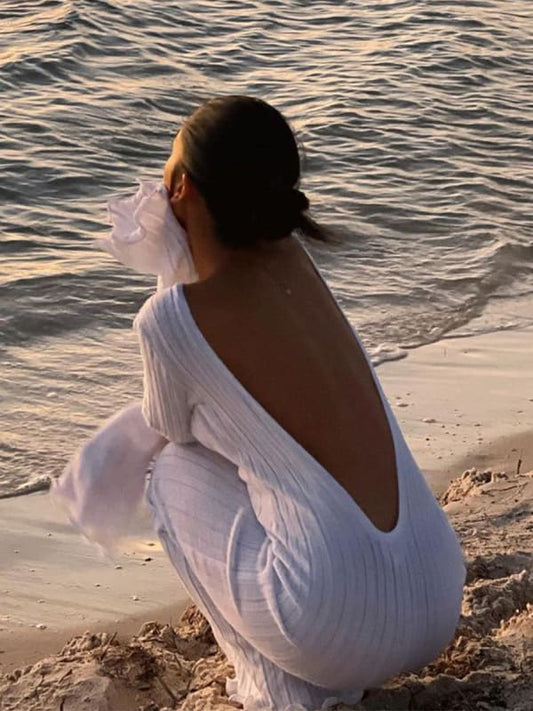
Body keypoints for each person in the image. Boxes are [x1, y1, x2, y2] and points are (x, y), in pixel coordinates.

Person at [56, 95, 467, 711]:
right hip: (438, 595)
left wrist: (171, 267)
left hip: (340, 628)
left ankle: (277, 691)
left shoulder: (168, 319)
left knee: (169, 470)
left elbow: (171, 427)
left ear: (184, 189)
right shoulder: (296, 264)